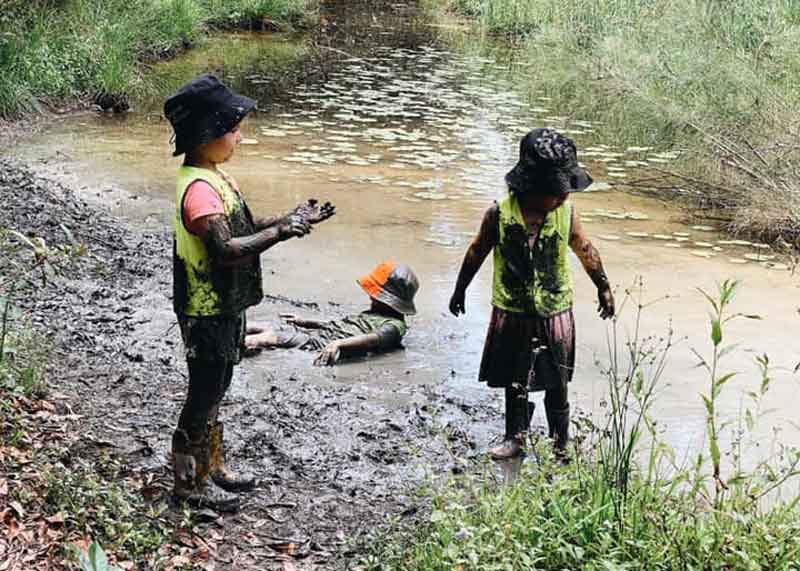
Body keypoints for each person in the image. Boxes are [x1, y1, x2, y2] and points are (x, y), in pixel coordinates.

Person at [164, 74, 335, 512]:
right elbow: (225, 250)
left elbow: (246, 227)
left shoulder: (217, 178)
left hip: (225, 304)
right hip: (205, 308)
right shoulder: (199, 191)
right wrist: (281, 232)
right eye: (234, 128)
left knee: (219, 386)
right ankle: (188, 485)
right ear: (209, 135)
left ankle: (212, 466)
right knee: (203, 392)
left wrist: (293, 217)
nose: (240, 136)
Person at [449, 128, 615, 461]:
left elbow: (585, 248)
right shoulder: (500, 213)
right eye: (558, 191)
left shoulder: (566, 213)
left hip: (555, 311)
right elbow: (477, 250)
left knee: (557, 381)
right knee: (516, 379)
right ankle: (516, 438)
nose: (565, 196)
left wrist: (603, 286)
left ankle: (560, 442)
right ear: (532, 188)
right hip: (513, 311)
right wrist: (460, 289)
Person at [244, 261, 418, 366]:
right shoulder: (375, 313)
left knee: (268, 337)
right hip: (322, 334)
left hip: (322, 342)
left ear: (388, 299)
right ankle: (234, 332)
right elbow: (338, 324)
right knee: (266, 327)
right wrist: (305, 321)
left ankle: (229, 346)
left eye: (374, 295)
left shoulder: (394, 326)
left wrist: (338, 344)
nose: (371, 298)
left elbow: (372, 339)